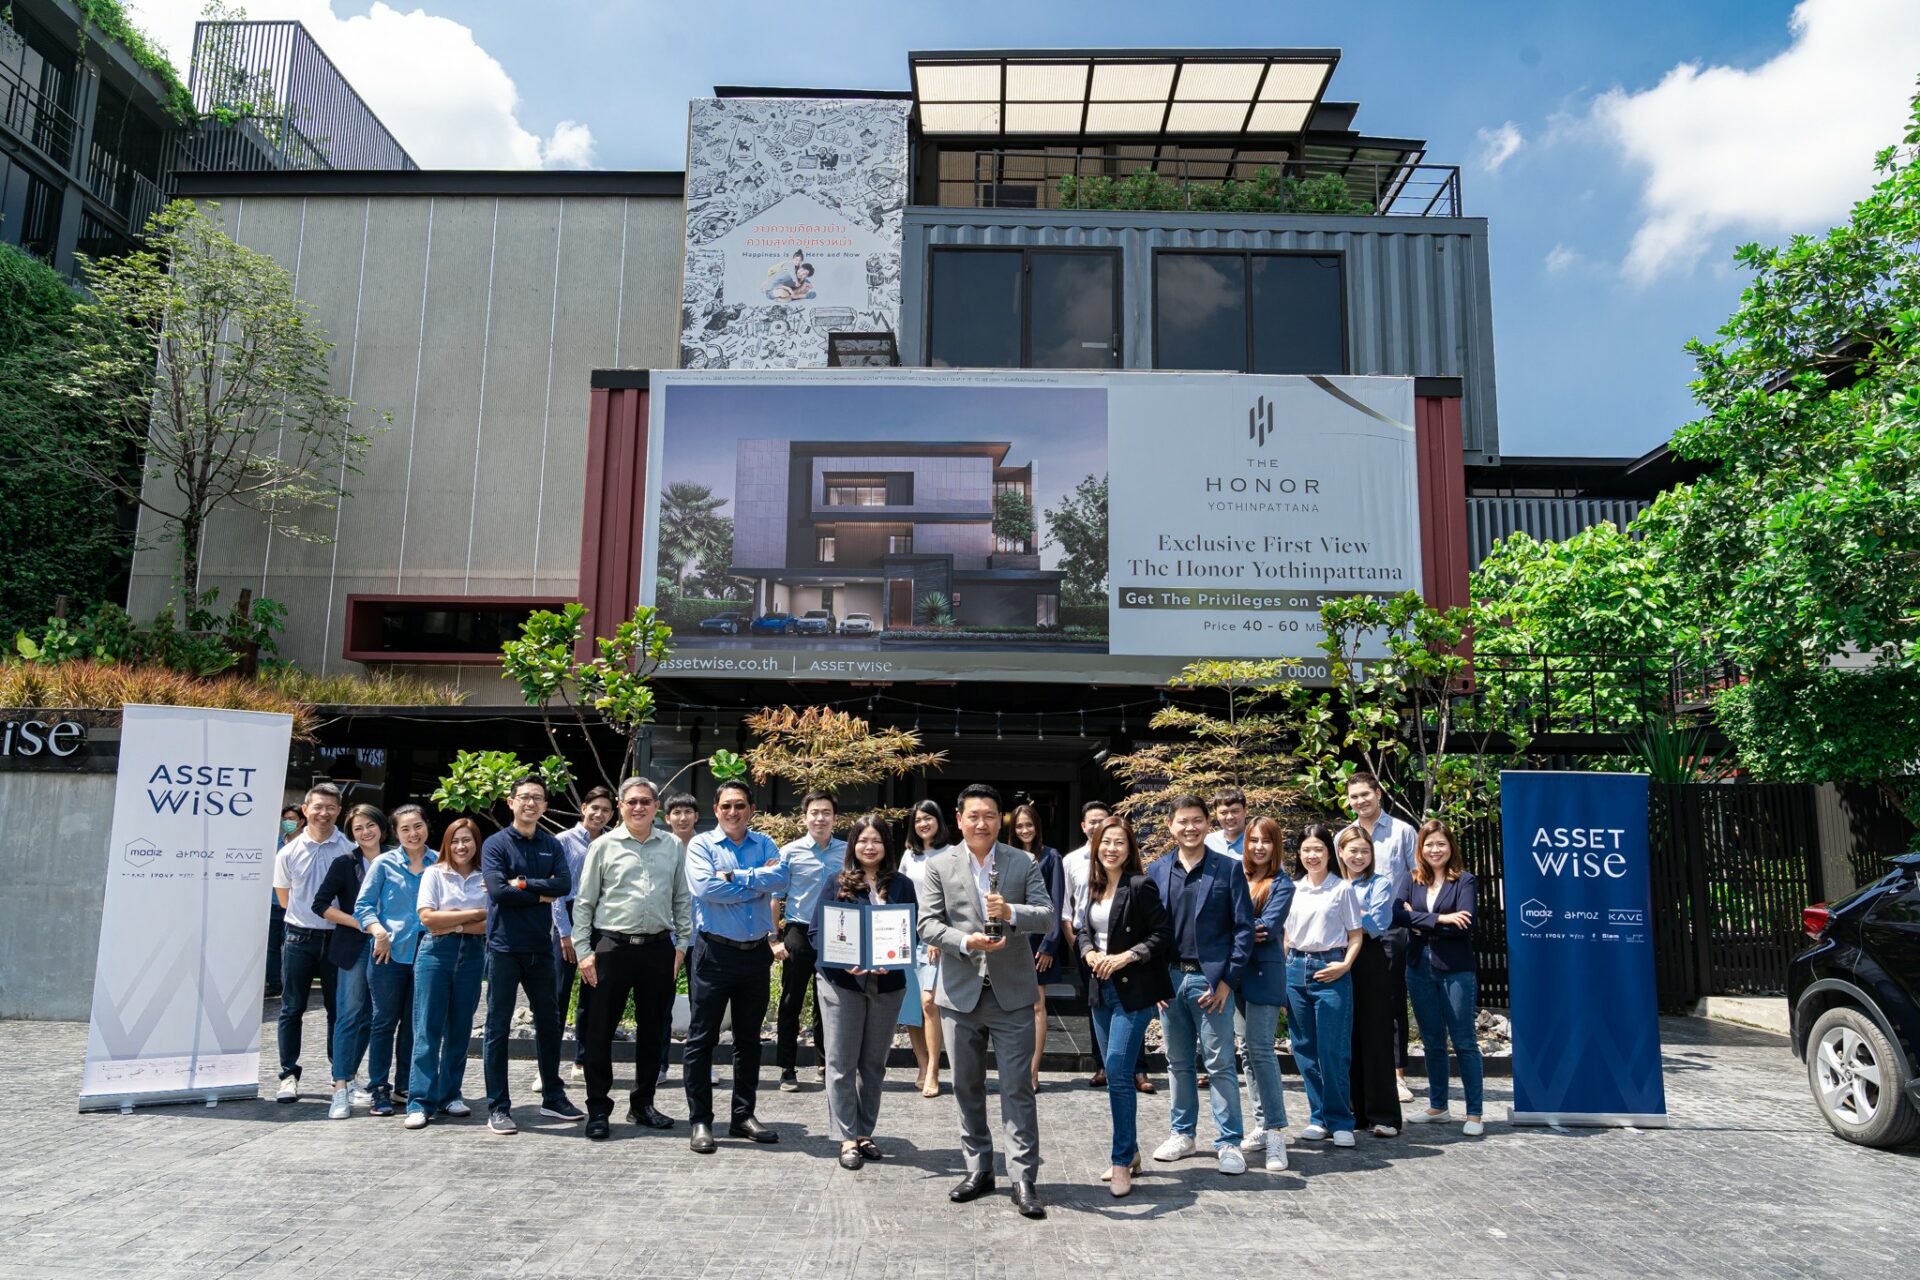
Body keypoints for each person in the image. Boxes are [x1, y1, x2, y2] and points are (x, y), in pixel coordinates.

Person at [918, 783, 1054, 1220]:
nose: (982, 823)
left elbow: (1046, 915)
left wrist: (1011, 912)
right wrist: (965, 941)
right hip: (960, 994)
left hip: (1012, 994)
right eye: (974, 816)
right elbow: (927, 924)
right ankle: (978, 1169)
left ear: (1001, 820)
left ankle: (1023, 1178)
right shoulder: (938, 865)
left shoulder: (1022, 861)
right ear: (959, 819)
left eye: (990, 816)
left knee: (1017, 1089)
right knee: (966, 1087)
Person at [572, 776, 692, 1139]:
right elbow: (584, 902)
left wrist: (681, 946)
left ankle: (643, 1103)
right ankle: (598, 1108)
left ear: (656, 807)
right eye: (632, 801)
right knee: (599, 1031)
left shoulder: (671, 845)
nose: (639, 807)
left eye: (646, 801)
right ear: (621, 807)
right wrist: (584, 952)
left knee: (654, 1031)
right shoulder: (603, 846)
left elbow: (681, 899)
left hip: (658, 949)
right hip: (611, 948)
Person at [1147, 793, 1255, 1175]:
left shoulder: (1228, 869)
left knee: (1220, 1063)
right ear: (1170, 826)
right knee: (1177, 1062)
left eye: (1197, 820)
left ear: (1208, 824)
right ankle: (1182, 1134)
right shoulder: (1157, 870)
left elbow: (1243, 930)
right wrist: (1155, 981)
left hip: (1211, 982)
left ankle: (1229, 1141)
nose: (1190, 827)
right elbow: (1149, 931)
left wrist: (1227, 981)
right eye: (1182, 821)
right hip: (1170, 978)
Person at [683, 779, 789, 1153]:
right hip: (714, 953)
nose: (733, 812)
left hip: (755, 954)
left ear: (751, 810)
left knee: (749, 1040)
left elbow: (781, 879)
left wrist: (734, 877)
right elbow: (704, 889)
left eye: (740, 805)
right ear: (716, 810)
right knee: (702, 1039)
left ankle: (743, 1115)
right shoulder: (701, 845)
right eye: (726, 805)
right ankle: (700, 1121)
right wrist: (756, 883)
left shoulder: (765, 843)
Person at [479, 776, 585, 1134]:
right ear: (511, 802)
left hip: (541, 947)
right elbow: (497, 892)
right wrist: (540, 894)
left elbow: (563, 885)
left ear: (544, 806)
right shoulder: (495, 844)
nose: (531, 803)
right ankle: (498, 1106)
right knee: (497, 1028)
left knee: (550, 1024)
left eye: (537, 798)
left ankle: (553, 1096)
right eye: (524, 797)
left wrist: (522, 883)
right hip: (504, 948)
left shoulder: (551, 844)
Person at [1075, 817, 1173, 1197]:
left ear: (1130, 848)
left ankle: (1120, 1160)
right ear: (1096, 846)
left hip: (1131, 992)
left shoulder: (1139, 885)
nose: (1111, 848)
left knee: (1117, 1070)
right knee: (1115, 1072)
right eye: (1106, 842)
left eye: (1119, 842)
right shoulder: (1094, 884)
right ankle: (1130, 1152)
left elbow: (1162, 933)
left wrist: (1127, 956)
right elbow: (1083, 930)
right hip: (1099, 989)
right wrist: (1088, 952)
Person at [814, 814, 918, 1170]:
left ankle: (864, 1132)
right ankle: (846, 1137)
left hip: (887, 984)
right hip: (842, 984)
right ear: (853, 845)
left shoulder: (902, 885)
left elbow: (911, 932)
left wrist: (897, 957)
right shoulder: (836, 882)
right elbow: (817, 933)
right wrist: (843, 962)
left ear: (887, 845)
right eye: (862, 840)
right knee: (841, 1062)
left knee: (873, 1064)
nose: (869, 847)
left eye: (876, 840)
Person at [1401, 819, 1485, 1137]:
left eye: (1441, 844)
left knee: (1464, 1041)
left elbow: (1465, 924)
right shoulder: (1412, 879)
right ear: (1420, 848)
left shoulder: (1464, 880)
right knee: (1432, 1040)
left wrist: (1419, 920)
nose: (1435, 850)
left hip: (1455, 969)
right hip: (1418, 967)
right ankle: (1438, 1106)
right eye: (1429, 844)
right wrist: (1442, 918)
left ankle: (1474, 1113)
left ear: (1451, 847)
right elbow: (1397, 914)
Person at [1284, 823, 1364, 1147]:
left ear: (1329, 853)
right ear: (1299, 854)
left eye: (1318, 849)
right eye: (1306, 850)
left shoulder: (1342, 889)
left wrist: (1345, 965)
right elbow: (1285, 938)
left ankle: (1341, 1119)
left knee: (1333, 1050)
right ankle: (1318, 1117)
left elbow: (1356, 936)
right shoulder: (1292, 889)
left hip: (1331, 969)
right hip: (1295, 969)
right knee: (1304, 1049)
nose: (1312, 855)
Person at [353, 803, 436, 1117]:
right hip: (388, 954)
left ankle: (406, 1086)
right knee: (384, 1022)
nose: (413, 834)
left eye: (418, 826)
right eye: (405, 829)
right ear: (395, 833)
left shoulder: (439, 863)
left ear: (427, 827)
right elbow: (363, 906)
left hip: (428, 955)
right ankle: (378, 1088)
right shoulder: (384, 863)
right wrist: (378, 931)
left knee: (416, 1025)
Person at [407, 818, 489, 1130]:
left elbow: (491, 922)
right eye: (455, 840)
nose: (461, 846)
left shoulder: (486, 877)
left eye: (467, 840)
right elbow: (428, 919)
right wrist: (472, 915)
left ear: (476, 843)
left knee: (460, 1028)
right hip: (436, 954)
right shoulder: (434, 873)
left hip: (472, 954)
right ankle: (420, 1102)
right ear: (446, 844)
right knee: (427, 1030)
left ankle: (450, 1094)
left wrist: (453, 921)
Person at [272, 782, 350, 1103]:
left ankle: (340, 1075)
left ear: (339, 811)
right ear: (305, 810)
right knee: (292, 1008)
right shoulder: (288, 852)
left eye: (331, 807)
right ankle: (288, 1075)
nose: (324, 813)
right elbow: (284, 900)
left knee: (338, 1009)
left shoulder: (348, 849)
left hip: (337, 938)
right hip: (298, 937)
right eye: (318, 807)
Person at [1346, 771, 1418, 1104]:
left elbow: (1416, 875)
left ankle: (1397, 1075)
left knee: (1390, 999)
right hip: (1348, 931)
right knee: (1354, 998)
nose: (1360, 801)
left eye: (1365, 794)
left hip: (1389, 928)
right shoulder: (1345, 835)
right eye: (1354, 796)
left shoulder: (1403, 831)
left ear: (1378, 793)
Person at [313, 803, 387, 1118]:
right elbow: (320, 904)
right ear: (352, 834)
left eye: (370, 825)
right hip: (355, 946)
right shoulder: (344, 863)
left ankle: (353, 1075)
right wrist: (359, 922)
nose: (365, 832)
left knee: (373, 1016)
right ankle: (340, 1087)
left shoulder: (396, 859)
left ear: (381, 827)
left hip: (390, 946)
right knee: (349, 1014)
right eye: (358, 828)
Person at [1235, 816, 1295, 1171]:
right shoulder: (1236, 876)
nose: (1259, 847)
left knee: (1260, 1049)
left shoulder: (1283, 884)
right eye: (1254, 840)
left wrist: (1231, 929)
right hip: (1236, 975)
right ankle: (1260, 1123)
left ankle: (1275, 1133)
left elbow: (1266, 928)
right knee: (1246, 1051)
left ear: (1276, 846)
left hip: (1265, 975)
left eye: (1266, 841)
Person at [1339, 824, 1406, 1138]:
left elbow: (1377, 922)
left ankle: (1384, 1115)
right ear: (1340, 852)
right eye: (1353, 850)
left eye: (1365, 851)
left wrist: (1344, 917)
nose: (1359, 856)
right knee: (1346, 1036)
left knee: (1375, 1035)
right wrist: (1357, 915)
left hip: (1370, 961)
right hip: (1337, 959)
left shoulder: (1381, 883)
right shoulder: (1332, 883)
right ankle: (1355, 1112)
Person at [775, 790, 841, 1091]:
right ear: (804, 818)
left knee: (829, 1001)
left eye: (826, 813)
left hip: (835, 932)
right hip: (799, 932)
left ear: (835, 818)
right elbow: (775, 897)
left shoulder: (847, 851)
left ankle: (825, 1063)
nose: (820, 818)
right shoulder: (790, 852)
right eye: (814, 813)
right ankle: (787, 1068)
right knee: (792, 1000)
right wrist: (773, 940)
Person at [553, 786, 615, 1083]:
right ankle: (548, 1066)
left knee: (593, 994)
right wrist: (565, 934)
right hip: (566, 917)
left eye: (606, 810)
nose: (599, 814)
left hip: (599, 922)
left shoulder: (612, 842)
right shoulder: (563, 841)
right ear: (583, 808)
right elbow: (555, 892)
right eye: (595, 808)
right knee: (558, 995)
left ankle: (582, 1061)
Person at [1005, 802, 1067, 1089]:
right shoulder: (1006, 856)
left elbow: (1056, 900)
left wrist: (1050, 944)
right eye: (1019, 826)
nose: (1024, 830)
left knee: (1036, 1005)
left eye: (1029, 825)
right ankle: (1013, 1069)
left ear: (1037, 826)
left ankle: (1032, 1071)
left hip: (1039, 941)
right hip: (1011, 938)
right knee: (1010, 1006)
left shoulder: (1051, 857)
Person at [899, 798, 950, 1098]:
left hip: (935, 937)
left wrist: (936, 935)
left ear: (939, 821)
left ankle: (934, 1068)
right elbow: (900, 893)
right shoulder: (909, 855)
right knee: (911, 1007)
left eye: (928, 818)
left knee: (930, 1003)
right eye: (918, 820)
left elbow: (953, 900)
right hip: (907, 937)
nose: (923, 824)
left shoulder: (952, 853)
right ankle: (921, 1063)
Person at [657, 792, 701, 1087]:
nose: (682, 818)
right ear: (667, 818)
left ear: (696, 816)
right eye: (676, 813)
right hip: (666, 936)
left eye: (687, 812)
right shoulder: (660, 846)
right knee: (661, 1002)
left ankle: (699, 1066)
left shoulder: (706, 846)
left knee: (702, 1004)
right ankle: (659, 1065)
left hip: (701, 935)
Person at [266, 805, 303, 997]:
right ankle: (274, 983)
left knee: (292, 947)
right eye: (285, 818)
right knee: (272, 946)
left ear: (302, 821)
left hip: (296, 905)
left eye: (292, 818)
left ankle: (292, 986)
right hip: (273, 902)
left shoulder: (307, 844)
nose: (288, 822)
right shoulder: (275, 843)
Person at [1204, 788, 1248, 859]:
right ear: (1216, 814)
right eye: (1223, 813)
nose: (1230, 817)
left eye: (1235, 811)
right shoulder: (1207, 843)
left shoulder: (1257, 841)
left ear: (1245, 811)